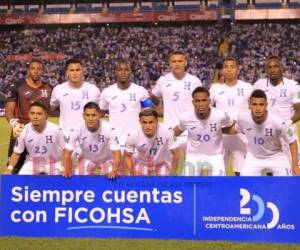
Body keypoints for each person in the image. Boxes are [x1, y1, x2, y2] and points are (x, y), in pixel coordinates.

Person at [225, 89, 300, 176]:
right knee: (245, 183)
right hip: (254, 157)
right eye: (254, 104)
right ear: (249, 105)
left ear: (266, 105)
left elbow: (292, 141)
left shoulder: (278, 121)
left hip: (276, 157)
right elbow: (235, 129)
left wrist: (295, 165)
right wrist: (218, 130)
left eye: (261, 104)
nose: (258, 108)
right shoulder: (243, 118)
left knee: (285, 183)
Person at [5, 59, 52, 174]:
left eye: (38, 69)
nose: (35, 71)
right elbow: (9, 110)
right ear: (28, 71)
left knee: (43, 168)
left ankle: (40, 191)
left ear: (43, 71)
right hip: (20, 130)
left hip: (42, 132)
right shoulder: (18, 86)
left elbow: (54, 108)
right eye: (33, 68)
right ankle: (12, 191)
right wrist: (15, 125)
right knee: (13, 167)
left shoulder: (49, 88)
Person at [173, 87, 234, 176]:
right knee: (188, 187)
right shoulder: (185, 117)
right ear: (193, 102)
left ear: (209, 101)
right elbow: (178, 130)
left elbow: (232, 124)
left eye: (204, 100)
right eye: (197, 101)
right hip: (193, 156)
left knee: (219, 187)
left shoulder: (220, 115)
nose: (201, 104)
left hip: (215, 156)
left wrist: (220, 130)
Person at [210, 57, 253, 175]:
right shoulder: (214, 88)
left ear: (238, 70)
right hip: (220, 136)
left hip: (241, 136)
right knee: (217, 173)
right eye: (226, 67)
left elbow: (254, 110)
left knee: (241, 173)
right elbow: (207, 111)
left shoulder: (247, 87)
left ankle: (241, 193)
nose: (229, 70)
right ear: (222, 71)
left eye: (232, 67)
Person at [151, 51, 202, 148]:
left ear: (185, 63)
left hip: (190, 130)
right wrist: (158, 107)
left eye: (180, 61)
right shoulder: (163, 80)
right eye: (174, 61)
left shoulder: (195, 81)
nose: (177, 64)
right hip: (170, 130)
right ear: (170, 64)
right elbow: (153, 96)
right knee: (170, 162)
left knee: (191, 162)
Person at [99, 60, 152, 147]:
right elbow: (100, 114)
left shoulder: (141, 91)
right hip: (115, 142)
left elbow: (150, 112)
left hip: (136, 141)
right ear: (116, 72)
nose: (123, 72)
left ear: (130, 72)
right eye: (120, 70)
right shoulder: (107, 92)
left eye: (126, 70)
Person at [62, 102, 121, 179]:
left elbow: (117, 152)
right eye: (87, 115)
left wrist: (114, 170)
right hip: (87, 159)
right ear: (83, 116)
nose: (90, 118)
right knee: (78, 176)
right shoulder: (76, 129)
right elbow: (67, 152)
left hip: (107, 160)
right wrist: (66, 169)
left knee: (113, 177)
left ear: (99, 115)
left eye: (93, 115)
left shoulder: (109, 128)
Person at [4, 102, 65, 175]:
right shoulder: (23, 130)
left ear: (45, 115)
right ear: (29, 114)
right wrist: (9, 168)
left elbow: (66, 151)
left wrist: (63, 167)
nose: (35, 116)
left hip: (54, 163)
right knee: (21, 180)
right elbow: (17, 153)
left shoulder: (56, 130)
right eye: (32, 113)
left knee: (59, 183)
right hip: (32, 163)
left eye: (39, 114)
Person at [124, 109, 182, 176]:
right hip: (143, 165)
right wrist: (133, 171)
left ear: (157, 121)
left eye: (151, 122)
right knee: (136, 183)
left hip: (163, 164)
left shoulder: (167, 131)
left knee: (164, 184)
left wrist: (173, 172)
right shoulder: (133, 136)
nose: (148, 126)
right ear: (140, 122)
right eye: (144, 122)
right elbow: (127, 156)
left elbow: (177, 153)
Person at [50, 58, 101, 134]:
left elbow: (99, 111)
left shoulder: (93, 90)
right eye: (71, 70)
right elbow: (52, 108)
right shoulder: (58, 90)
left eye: (78, 70)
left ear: (82, 72)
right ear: (67, 72)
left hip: (88, 137)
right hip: (66, 136)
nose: (75, 73)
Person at [253, 56, 300, 128]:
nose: (272, 70)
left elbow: (299, 109)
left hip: (288, 131)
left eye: (275, 66)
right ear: (266, 70)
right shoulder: (258, 85)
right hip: (267, 131)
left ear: (281, 68)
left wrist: (287, 123)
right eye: (269, 67)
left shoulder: (293, 85)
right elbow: (250, 105)